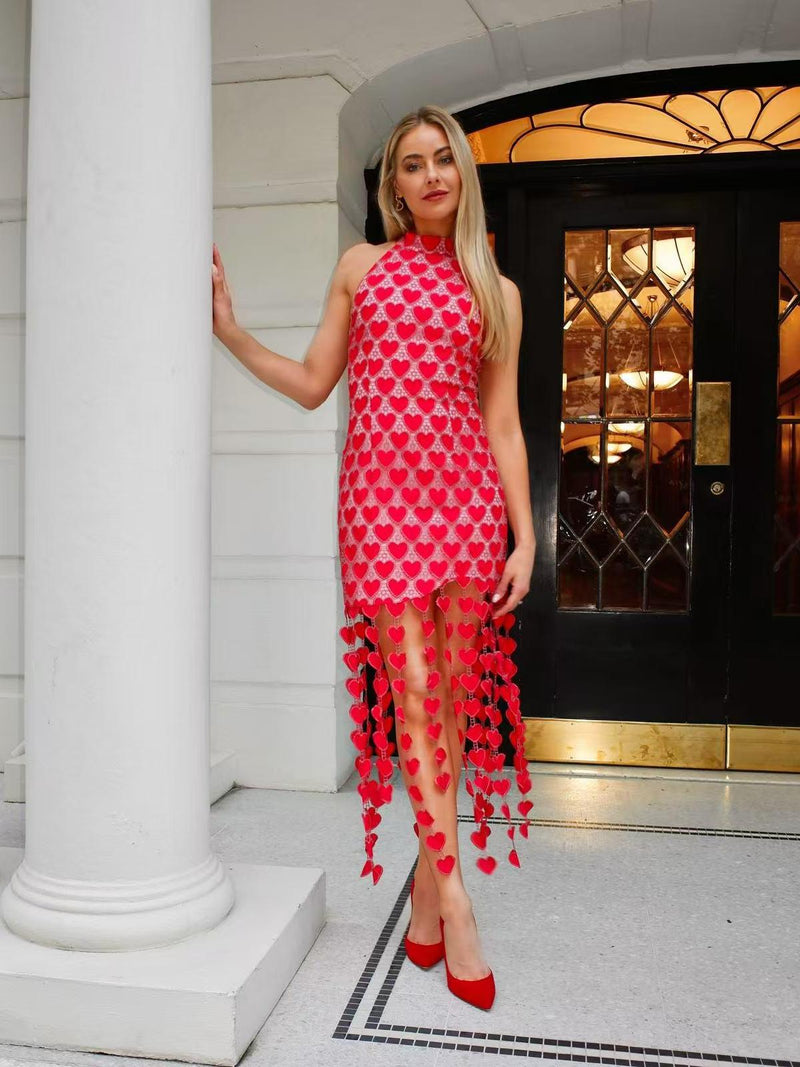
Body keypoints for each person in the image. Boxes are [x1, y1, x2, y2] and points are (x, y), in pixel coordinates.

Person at [211, 103, 536, 1011]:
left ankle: (426, 904)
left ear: (463, 173)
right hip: (381, 510)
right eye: (413, 163)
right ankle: (458, 904)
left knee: (452, 707)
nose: (431, 176)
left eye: (443, 160)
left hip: (467, 508)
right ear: (393, 184)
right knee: (418, 698)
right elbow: (316, 384)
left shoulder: (498, 293)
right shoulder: (363, 268)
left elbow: (503, 424)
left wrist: (526, 536)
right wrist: (231, 332)